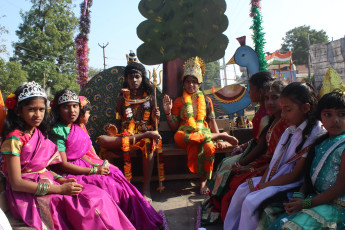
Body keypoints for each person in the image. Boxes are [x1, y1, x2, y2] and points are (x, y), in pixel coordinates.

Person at [1, 82, 134, 230]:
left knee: (99, 195)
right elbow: (16, 183)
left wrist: (62, 180)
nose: (38, 115)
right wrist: (60, 189)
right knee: (88, 204)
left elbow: (42, 169)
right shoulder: (14, 139)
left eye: (41, 109)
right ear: (19, 111)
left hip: (49, 183)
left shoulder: (38, 133)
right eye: (31, 109)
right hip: (27, 195)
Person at [49, 89, 163, 230]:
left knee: (116, 175)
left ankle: (133, 221)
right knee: (109, 185)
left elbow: (80, 153)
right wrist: (93, 170)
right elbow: (64, 164)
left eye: (75, 106)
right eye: (66, 107)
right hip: (71, 172)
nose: (72, 110)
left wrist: (97, 165)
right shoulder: (58, 131)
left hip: (84, 165)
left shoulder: (75, 126)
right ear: (58, 109)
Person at [223, 82, 325, 230]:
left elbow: (295, 175)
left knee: (251, 201)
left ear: (306, 108)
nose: (283, 115)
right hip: (277, 176)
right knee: (241, 191)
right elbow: (274, 163)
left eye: (288, 110)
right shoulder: (290, 130)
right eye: (282, 109)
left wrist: (265, 185)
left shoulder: (315, 133)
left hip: (293, 183)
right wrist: (263, 182)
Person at [202, 80, 289, 224]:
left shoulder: (285, 125)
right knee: (229, 168)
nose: (269, 102)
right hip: (265, 163)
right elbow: (259, 141)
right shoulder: (273, 119)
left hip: (271, 167)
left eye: (275, 97)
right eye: (267, 98)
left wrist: (246, 166)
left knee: (236, 182)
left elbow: (273, 156)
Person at [267, 91, 345, 229]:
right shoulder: (320, 142)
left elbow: (339, 188)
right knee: (270, 213)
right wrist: (299, 196)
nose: (335, 120)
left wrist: (305, 204)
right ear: (320, 116)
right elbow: (309, 177)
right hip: (316, 199)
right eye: (328, 114)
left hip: (336, 206)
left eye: (342, 114)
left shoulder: (343, 146)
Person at [162, 56, 239, 194]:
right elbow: (174, 128)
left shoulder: (207, 100)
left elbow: (212, 121)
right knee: (178, 136)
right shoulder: (179, 102)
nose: (191, 85)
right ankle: (218, 135)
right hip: (186, 134)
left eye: (194, 82)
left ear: (199, 84)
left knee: (209, 147)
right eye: (188, 82)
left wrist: (220, 141)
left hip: (203, 132)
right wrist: (167, 113)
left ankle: (203, 182)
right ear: (183, 84)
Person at [96, 62, 161, 200]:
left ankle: (146, 189)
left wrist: (157, 118)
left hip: (145, 137)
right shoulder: (121, 99)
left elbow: (155, 128)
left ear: (142, 78)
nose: (134, 80)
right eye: (131, 77)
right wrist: (113, 132)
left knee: (148, 144)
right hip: (126, 136)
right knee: (103, 143)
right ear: (126, 79)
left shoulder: (151, 98)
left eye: (137, 77)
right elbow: (119, 122)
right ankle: (116, 188)